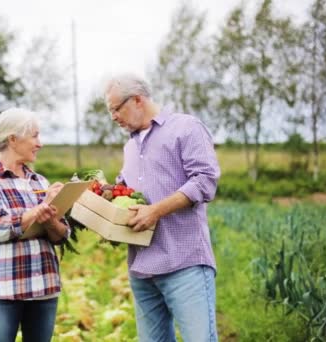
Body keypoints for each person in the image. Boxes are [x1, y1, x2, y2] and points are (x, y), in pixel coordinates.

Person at [103, 73, 221, 341]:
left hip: (184, 263)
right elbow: (127, 191)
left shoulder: (186, 128)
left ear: (136, 100)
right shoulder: (130, 147)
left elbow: (205, 181)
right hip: (142, 269)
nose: (113, 117)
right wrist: (102, 198)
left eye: (115, 109)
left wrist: (155, 211)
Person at [0, 107, 70, 342]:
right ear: (13, 139)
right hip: (3, 292)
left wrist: (52, 218)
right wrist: (39, 209)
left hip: (43, 288)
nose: (39, 143)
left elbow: (61, 236)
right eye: (34, 135)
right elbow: (0, 227)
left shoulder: (39, 181)